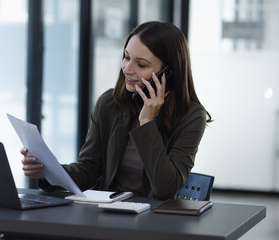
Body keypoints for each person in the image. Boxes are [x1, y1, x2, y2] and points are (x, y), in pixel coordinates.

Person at [21, 21, 211, 200]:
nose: (127, 69)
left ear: (168, 73)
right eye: (126, 57)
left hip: (153, 222)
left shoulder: (192, 116)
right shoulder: (109, 103)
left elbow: (165, 188)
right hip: (107, 214)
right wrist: (48, 172)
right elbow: (89, 169)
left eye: (141, 64)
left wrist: (147, 122)